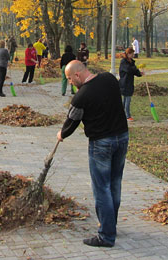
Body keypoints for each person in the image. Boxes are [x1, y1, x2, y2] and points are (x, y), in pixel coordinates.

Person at [57, 61, 129, 248]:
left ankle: (106, 236)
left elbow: (71, 121)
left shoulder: (81, 96)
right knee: (115, 183)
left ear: (78, 75)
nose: (70, 82)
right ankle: (110, 225)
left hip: (101, 144)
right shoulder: (110, 78)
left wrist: (61, 134)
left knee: (102, 188)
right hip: (122, 138)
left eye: (70, 79)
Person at [119, 47, 143, 122]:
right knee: (127, 99)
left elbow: (134, 71)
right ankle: (127, 116)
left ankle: (120, 114)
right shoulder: (123, 62)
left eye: (133, 53)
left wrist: (140, 73)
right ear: (128, 54)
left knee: (125, 100)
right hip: (124, 83)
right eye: (132, 54)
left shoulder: (132, 62)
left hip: (130, 83)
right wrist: (136, 68)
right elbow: (128, 70)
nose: (133, 55)